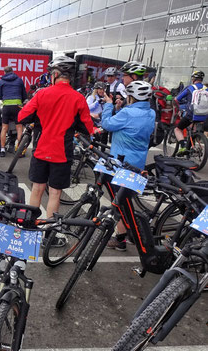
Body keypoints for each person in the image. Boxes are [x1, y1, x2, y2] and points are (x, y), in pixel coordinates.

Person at [18, 56, 94, 218]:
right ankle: (49, 233)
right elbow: (87, 128)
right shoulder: (78, 98)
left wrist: (37, 117)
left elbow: (22, 117)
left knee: (37, 188)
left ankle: (30, 224)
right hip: (61, 154)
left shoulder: (42, 94)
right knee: (55, 193)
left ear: (55, 74)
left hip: (41, 151)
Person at [101, 81, 155, 251]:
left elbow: (108, 124)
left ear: (131, 97)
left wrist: (109, 106)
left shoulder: (128, 112)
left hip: (120, 162)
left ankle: (123, 238)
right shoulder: (151, 113)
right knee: (125, 201)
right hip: (137, 163)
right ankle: (124, 236)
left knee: (119, 202)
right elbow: (129, 125)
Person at [174, 70, 208, 155]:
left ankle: (182, 147)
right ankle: (195, 140)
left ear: (193, 79)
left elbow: (177, 99)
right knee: (193, 127)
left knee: (177, 129)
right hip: (204, 115)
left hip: (191, 115)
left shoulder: (190, 88)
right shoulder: (206, 89)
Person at [0, 66, 28, 158]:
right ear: (13, 71)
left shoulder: (1, 81)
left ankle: (2, 149)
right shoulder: (19, 80)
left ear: (4, 72)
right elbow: (24, 94)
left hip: (6, 106)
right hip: (17, 106)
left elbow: (0, 96)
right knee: (19, 128)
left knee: (4, 128)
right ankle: (19, 150)